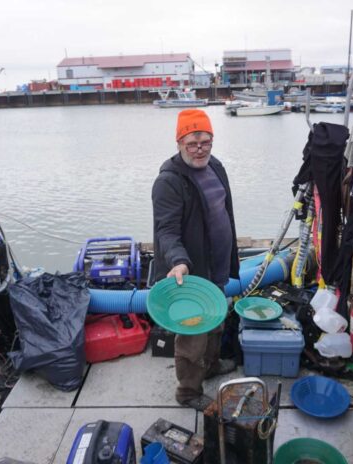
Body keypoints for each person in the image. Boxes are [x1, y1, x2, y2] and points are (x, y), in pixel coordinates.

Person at [152, 109, 240, 411]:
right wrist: (177, 261)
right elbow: (166, 230)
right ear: (179, 142)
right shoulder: (168, 181)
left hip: (217, 266)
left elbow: (223, 212)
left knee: (216, 321)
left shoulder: (215, 166)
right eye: (192, 143)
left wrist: (230, 259)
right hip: (189, 273)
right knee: (193, 335)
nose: (200, 149)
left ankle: (212, 365)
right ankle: (188, 392)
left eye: (206, 141)